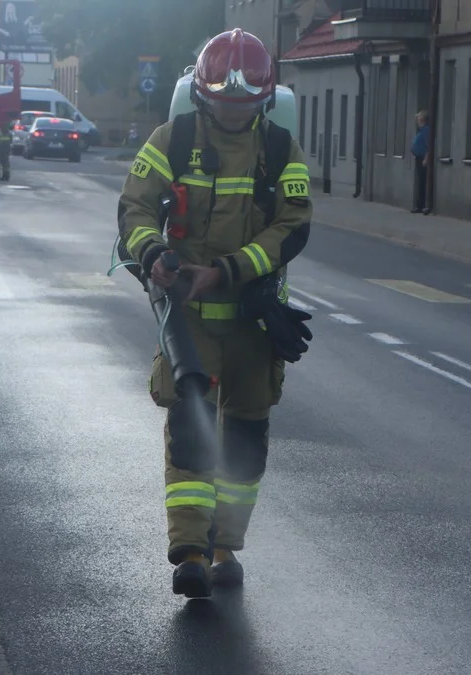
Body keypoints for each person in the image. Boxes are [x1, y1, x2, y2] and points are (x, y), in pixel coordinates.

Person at [117, 28, 313, 599]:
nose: (234, 111)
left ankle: (226, 546)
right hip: (189, 314)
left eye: (246, 103)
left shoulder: (279, 150)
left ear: (264, 99)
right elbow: (133, 205)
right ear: (204, 95)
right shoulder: (172, 139)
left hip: (253, 316)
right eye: (225, 102)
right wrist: (153, 253)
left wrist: (227, 271)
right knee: (190, 426)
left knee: (246, 437)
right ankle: (189, 551)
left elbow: (293, 225)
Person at [410, 110, 431, 214]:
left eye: (418, 119)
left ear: (422, 120)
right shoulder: (422, 130)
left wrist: (426, 159)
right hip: (419, 158)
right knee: (420, 182)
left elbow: (428, 146)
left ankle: (421, 205)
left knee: (422, 182)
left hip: (423, 159)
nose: (417, 121)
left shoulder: (426, 130)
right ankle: (419, 205)